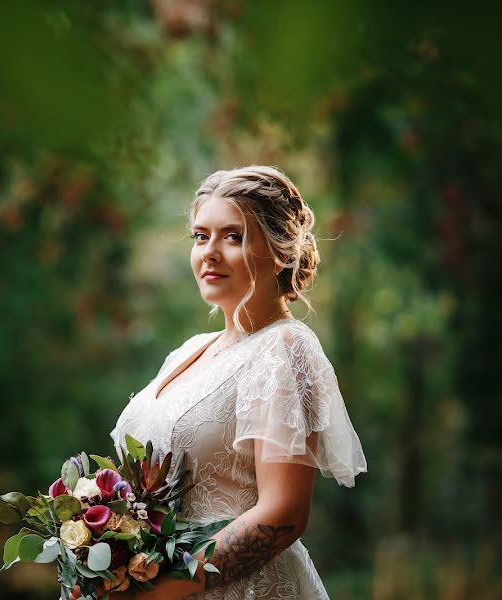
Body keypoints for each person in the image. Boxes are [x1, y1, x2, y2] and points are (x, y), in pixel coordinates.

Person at [78, 165, 367, 600]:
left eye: (233, 237)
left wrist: (161, 592)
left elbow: (283, 514)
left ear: (280, 252)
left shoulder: (283, 348)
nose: (209, 252)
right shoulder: (189, 351)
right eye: (200, 236)